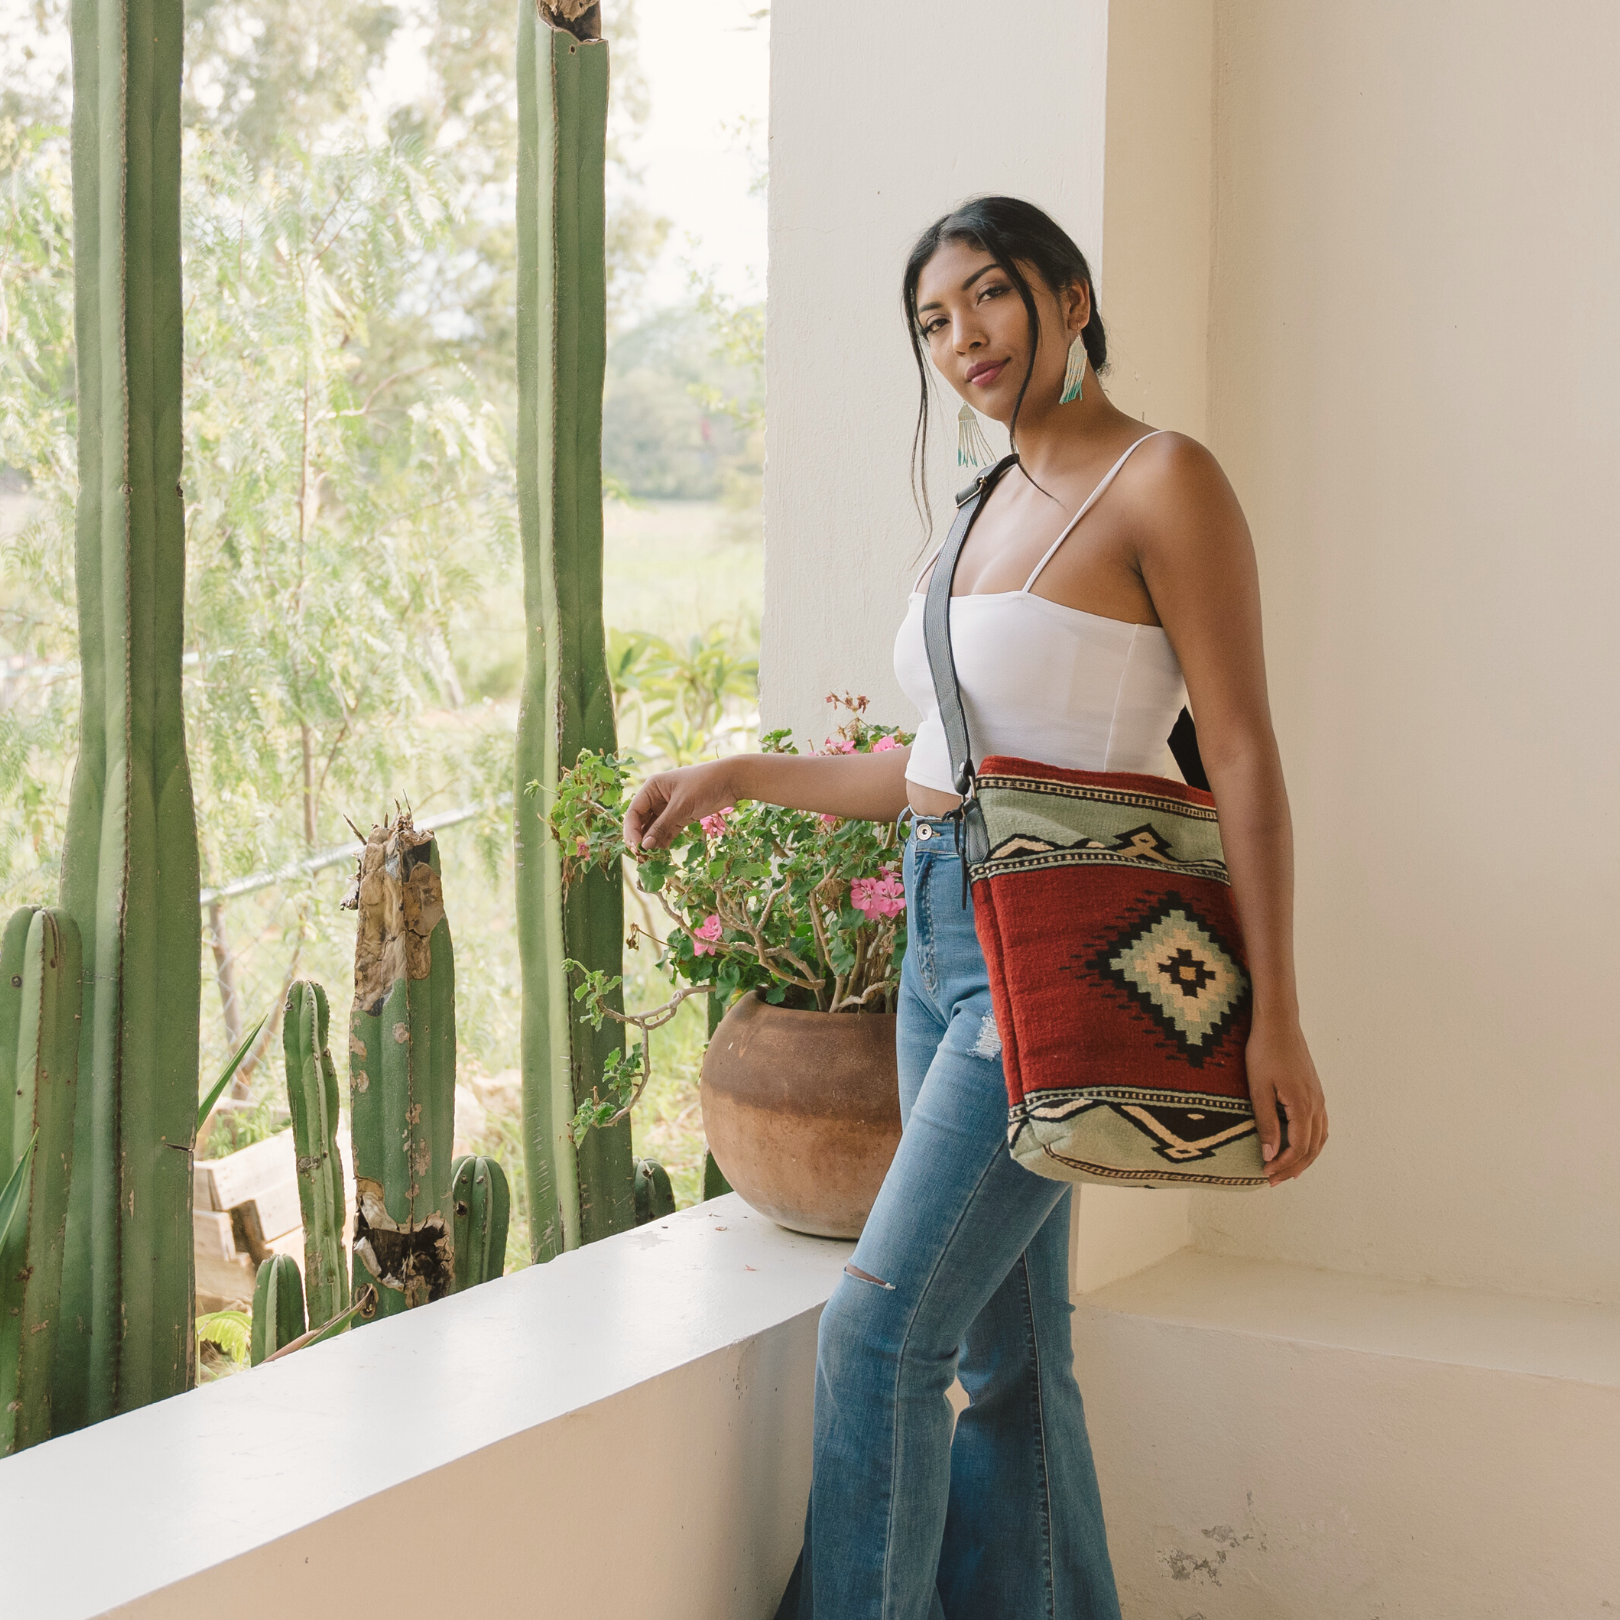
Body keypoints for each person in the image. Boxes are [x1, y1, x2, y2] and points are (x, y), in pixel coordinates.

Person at [624, 195, 1329, 1620]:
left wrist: (1279, 1018)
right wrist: (736, 772)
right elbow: (934, 772)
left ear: (1070, 296)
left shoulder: (1161, 477)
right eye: (933, 323)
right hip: (944, 941)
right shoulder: (980, 508)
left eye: (989, 298)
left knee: (879, 1337)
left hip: (1068, 949)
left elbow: (1243, 749)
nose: (963, 340)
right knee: (1010, 1358)